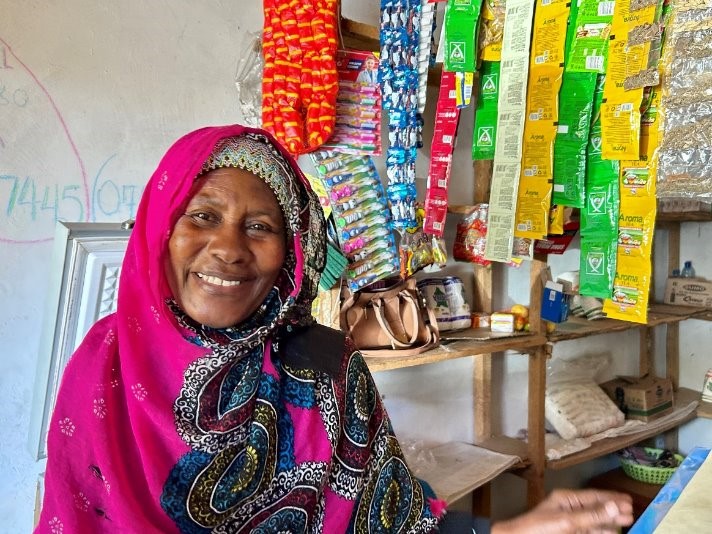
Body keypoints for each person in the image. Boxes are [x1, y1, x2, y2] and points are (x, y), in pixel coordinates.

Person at [35, 124, 633, 533]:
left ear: (290, 257)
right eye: (203, 216)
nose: (228, 249)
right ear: (160, 229)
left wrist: (506, 529)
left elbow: (387, 520)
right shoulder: (104, 365)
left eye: (261, 227)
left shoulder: (323, 364)